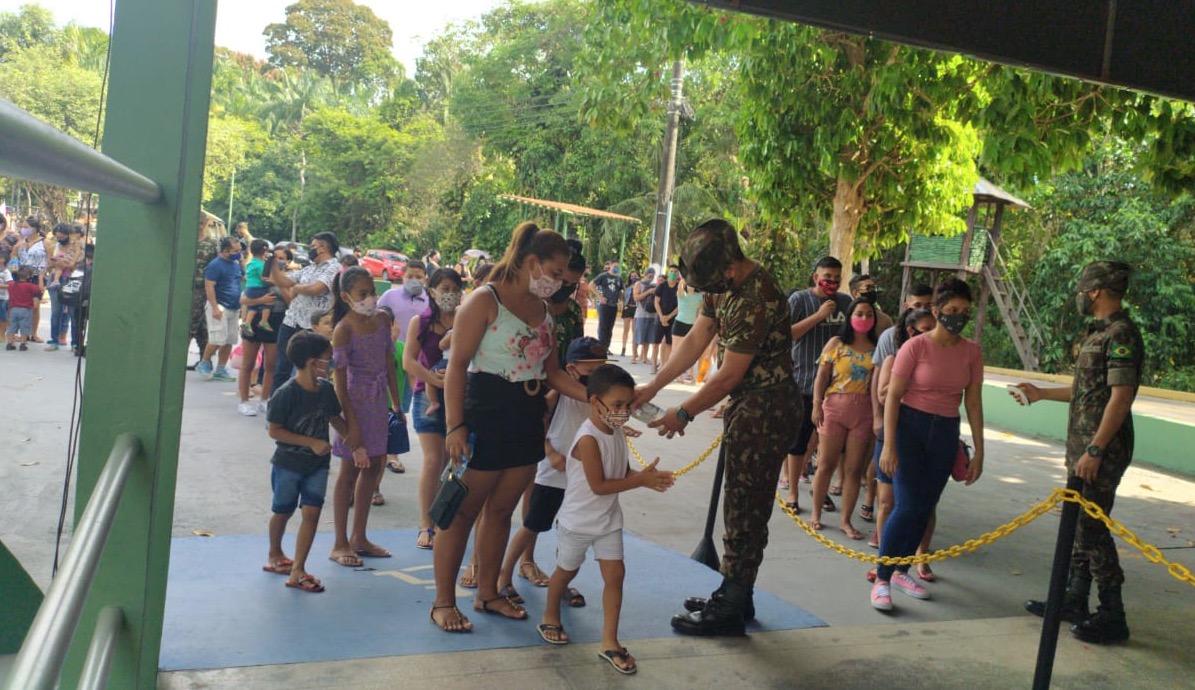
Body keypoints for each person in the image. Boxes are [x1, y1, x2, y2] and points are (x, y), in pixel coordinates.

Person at [635, 219, 801, 636]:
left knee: (746, 507)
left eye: (711, 282)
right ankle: (736, 594)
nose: (707, 291)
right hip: (748, 405)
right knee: (739, 502)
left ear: (729, 267)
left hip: (767, 408)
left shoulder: (754, 298)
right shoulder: (722, 286)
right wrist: (652, 385)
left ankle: (732, 601)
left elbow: (728, 375)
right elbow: (695, 339)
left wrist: (684, 413)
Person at [431, 221, 586, 633]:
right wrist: (454, 426)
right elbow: (456, 368)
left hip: (525, 414)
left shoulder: (545, 313)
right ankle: (443, 602)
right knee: (461, 513)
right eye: (554, 273)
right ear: (531, 262)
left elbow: (552, 373)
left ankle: (487, 592)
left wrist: (597, 397)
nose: (558, 283)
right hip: (482, 411)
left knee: (500, 511)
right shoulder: (485, 300)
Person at [1019, 261, 1142, 644]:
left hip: (1099, 451)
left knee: (1092, 527)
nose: (1079, 295)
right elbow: (1087, 391)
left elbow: (1120, 398)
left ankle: (1112, 612)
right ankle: (1073, 599)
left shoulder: (1121, 334)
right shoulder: (1098, 333)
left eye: (1082, 288)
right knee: (1076, 524)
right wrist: (1040, 393)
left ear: (1095, 291)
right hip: (1084, 449)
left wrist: (1095, 449)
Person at [537, 364, 674, 674]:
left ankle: (609, 641)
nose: (624, 412)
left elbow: (621, 473)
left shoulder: (615, 432)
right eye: (617, 405)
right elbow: (599, 485)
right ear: (594, 401)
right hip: (578, 522)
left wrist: (645, 477)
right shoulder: (587, 439)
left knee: (615, 575)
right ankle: (549, 615)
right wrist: (640, 482)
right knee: (565, 572)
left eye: (627, 405)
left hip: (608, 520)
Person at [872, 277, 985, 612]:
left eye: (964, 311)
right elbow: (892, 395)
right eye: (951, 310)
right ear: (936, 311)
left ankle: (901, 571)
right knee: (905, 505)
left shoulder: (971, 352)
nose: (958, 317)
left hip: (945, 431)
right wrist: (889, 444)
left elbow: (974, 403)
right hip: (910, 428)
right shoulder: (915, 347)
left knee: (925, 506)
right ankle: (882, 577)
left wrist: (979, 449)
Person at [497, 336, 610, 605]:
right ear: (571, 370)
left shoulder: (601, 398)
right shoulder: (558, 395)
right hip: (554, 473)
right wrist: (550, 453)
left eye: (601, 370)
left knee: (571, 530)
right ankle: (503, 577)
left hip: (583, 476)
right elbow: (537, 427)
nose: (596, 377)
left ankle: (562, 582)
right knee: (532, 525)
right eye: (590, 371)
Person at [326, 266, 403, 567]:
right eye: (363, 294)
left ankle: (360, 536)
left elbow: (389, 362)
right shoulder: (343, 329)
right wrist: (351, 425)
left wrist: (396, 405)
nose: (370, 299)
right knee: (349, 472)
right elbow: (340, 383)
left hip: (378, 403)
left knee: (375, 466)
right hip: (355, 404)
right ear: (346, 297)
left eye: (372, 292)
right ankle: (339, 542)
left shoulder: (383, 320)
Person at [264, 330, 348, 593]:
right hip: (288, 464)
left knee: (312, 512)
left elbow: (336, 420)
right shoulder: (285, 394)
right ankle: (275, 553)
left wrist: (357, 444)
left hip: (317, 466)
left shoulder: (326, 391)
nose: (331, 364)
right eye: (328, 359)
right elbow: (274, 430)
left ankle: (298, 569)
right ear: (313, 362)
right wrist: (310, 442)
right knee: (283, 510)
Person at [866, 309, 935, 566]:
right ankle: (884, 560)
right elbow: (884, 395)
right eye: (925, 329)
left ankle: (920, 558)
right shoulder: (893, 359)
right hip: (894, 434)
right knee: (888, 502)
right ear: (911, 331)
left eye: (933, 328)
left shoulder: (940, 360)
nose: (931, 335)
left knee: (924, 504)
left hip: (926, 437)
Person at [404, 268, 464, 550]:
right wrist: (432, 378)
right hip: (427, 396)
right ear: (432, 291)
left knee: (452, 463)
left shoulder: (468, 320)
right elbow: (409, 361)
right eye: (444, 288)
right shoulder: (421, 322)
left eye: (454, 288)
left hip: (461, 397)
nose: (449, 294)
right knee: (432, 459)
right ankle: (425, 524)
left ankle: (444, 520)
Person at [784, 257, 851, 511]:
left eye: (836, 278)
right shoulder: (800, 300)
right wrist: (820, 315)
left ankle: (819, 490)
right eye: (827, 277)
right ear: (815, 277)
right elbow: (787, 333)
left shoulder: (845, 302)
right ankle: (792, 493)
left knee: (825, 446)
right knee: (798, 442)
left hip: (836, 389)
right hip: (803, 383)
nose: (832, 282)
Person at [809, 298, 878, 539]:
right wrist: (816, 404)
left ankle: (845, 521)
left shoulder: (876, 348)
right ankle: (816, 514)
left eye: (869, 314)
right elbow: (821, 376)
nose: (864, 318)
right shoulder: (836, 343)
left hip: (864, 412)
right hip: (834, 407)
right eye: (859, 313)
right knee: (826, 464)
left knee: (853, 469)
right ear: (849, 316)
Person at [269, 232, 342, 394]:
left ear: (323, 248)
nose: (311, 250)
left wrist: (296, 288)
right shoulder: (309, 268)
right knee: (282, 366)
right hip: (291, 322)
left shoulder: (334, 268)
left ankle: (302, 407)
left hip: (312, 326)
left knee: (308, 368)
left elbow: (317, 288)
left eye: (313, 246)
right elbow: (282, 281)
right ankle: (276, 405)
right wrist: (272, 264)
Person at [237, 246, 288, 417]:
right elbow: (244, 298)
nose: (276, 260)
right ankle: (244, 401)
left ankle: (264, 400)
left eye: (282, 258)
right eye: (275, 257)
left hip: (275, 321)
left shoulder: (289, 280)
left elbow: (291, 299)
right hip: (255, 320)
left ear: (288, 261)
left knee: (271, 364)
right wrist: (261, 300)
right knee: (248, 363)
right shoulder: (259, 276)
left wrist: (280, 283)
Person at [195, 236, 243, 382]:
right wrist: (215, 307)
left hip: (234, 307)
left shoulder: (235, 264)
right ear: (225, 251)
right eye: (236, 250)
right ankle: (204, 362)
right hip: (220, 305)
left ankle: (221, 369)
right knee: (217, 338)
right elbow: (209, 286)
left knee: (229, 339)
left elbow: (241, 279)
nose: (239, 253)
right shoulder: (215, 265)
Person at [189, 212, 222, 369]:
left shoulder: (212, 244)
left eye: (202, 223)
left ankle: (205, 359)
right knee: (200, 324)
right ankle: (204, 359)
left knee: (196, 323)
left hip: (203, 288)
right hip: (186, 288)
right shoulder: (186, 241)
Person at [240, 239, 274, 338]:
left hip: (249, 288)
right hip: (258, 287)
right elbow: (264, 278)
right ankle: (264, 321)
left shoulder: (251, 263)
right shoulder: (261, 265)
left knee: (253, 308)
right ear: (265, 251)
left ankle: (247, 323)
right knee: (269, 301)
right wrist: (274, 282)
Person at [672, 278, 703, 383]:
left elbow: (700, 311)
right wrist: (687, 277)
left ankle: (691, 374)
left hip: (692, 325)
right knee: (676, 350)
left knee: (691, 351)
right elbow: (680, 287)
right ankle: (676, 374)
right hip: (680, 323)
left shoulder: (699, 296)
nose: (691, 285)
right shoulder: (682, 294)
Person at [590, 261, 623, 351]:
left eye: (618, 266)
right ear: (610, 266)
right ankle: (601, 346)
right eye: (614, 266)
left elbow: (620, 291)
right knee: (603, 327)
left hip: (614, 305)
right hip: (604, 305)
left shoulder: (619, 278)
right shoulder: (603, 276)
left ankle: (606, 347)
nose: (616, 268)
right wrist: (600, 297)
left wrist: (620, 300)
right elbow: (591, 285)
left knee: (610, 328)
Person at [5, 266, 38, 350]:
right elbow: (37, 295)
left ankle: (9, 343)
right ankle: (23, 344)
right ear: (29, 276)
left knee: (12, 326)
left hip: (14, 308)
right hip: (26, 309)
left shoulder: (12, 285)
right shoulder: (31, 286)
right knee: (25, 326)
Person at [654, 265, 680, 371]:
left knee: (669, 343)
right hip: (660, 317)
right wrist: (661, 317)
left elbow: (680, 306)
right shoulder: (662, 286)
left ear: (678, 274)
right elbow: (656, 302)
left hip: (673, 319)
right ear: (668, 272)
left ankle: (664, 366)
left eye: (675, 272)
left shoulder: (680, 288)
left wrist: (668, 317)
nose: (673, 273)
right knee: (656, 343)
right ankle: (653, 365)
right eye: (671, 271)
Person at [631, 266, 659, 366]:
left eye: (652, 275)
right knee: (638, 336)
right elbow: (636, 298)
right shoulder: (639, 284)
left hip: (652, 314)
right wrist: (648, 292)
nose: (650, 277)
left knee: (648, 337)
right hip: (641, 314)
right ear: (645, 275)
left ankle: (644, 357)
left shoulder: (655, 285)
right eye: (649, 275)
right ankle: (634, 356)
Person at [620, 270, 638, 357]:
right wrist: (623, 305)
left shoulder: (640, 285)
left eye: (635, 276)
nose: (633, 278)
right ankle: (623, 348)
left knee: (634, 330)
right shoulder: (626, 286)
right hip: (628, 308)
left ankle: (635, 351)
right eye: (632, 276)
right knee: (625, 330)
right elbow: (623, 297)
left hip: (636, 308)